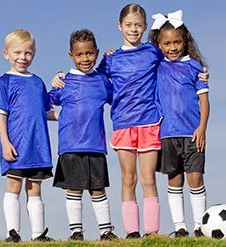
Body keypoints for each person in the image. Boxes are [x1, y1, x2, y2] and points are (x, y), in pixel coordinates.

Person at [51, 4, 209, 238]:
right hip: (123, 124)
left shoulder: (153, 52)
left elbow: (176, 60)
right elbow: (90, 79)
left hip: (150, 123)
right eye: (128, 25)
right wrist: (59, 77)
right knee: (129, 178)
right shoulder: (111, 59)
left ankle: (152, 232)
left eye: (138, 25)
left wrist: (200, 71)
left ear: (145, 27)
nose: (133, 29)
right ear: (120, 26)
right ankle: (132, 232)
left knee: (148, 179)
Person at [49, 29, 118, 241]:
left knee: (98, 189)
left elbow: (120, 98)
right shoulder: (64, 82)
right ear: (71, 55)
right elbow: (43, 106)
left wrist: (111, 58)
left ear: (96, 53)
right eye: (79, 54)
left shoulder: (103, 82)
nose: (85, 58)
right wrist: (60, 115)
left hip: (96, 145)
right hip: (70, 146)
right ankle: (76, 233)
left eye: (89, 53)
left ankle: (106, 231)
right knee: (74, 189)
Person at [149, 10, 210, 237]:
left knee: (195, 177)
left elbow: (204, 100)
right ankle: (179, 227)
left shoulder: (194, 67)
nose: (172, 47)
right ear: (159, 44)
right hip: (167, 134)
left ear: (185, 42)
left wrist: (202, 127)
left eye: (177, 42)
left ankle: (199, 226)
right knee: (174, 179)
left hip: (193, 133)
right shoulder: (156, 66)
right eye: (167, 43)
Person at [0, 29, 57, 243]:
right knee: (14, 185)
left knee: (35, 187)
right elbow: (1, 115)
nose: (23, 57)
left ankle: (38, 234)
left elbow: (46, 112)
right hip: (16, 144)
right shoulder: (4, 82)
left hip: (38, 145)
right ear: (6, 54)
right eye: (17, 52)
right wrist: (5, 142)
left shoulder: (38, 82)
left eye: (28, 53)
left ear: (34, 54)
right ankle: (12, 233)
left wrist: (70, 115)